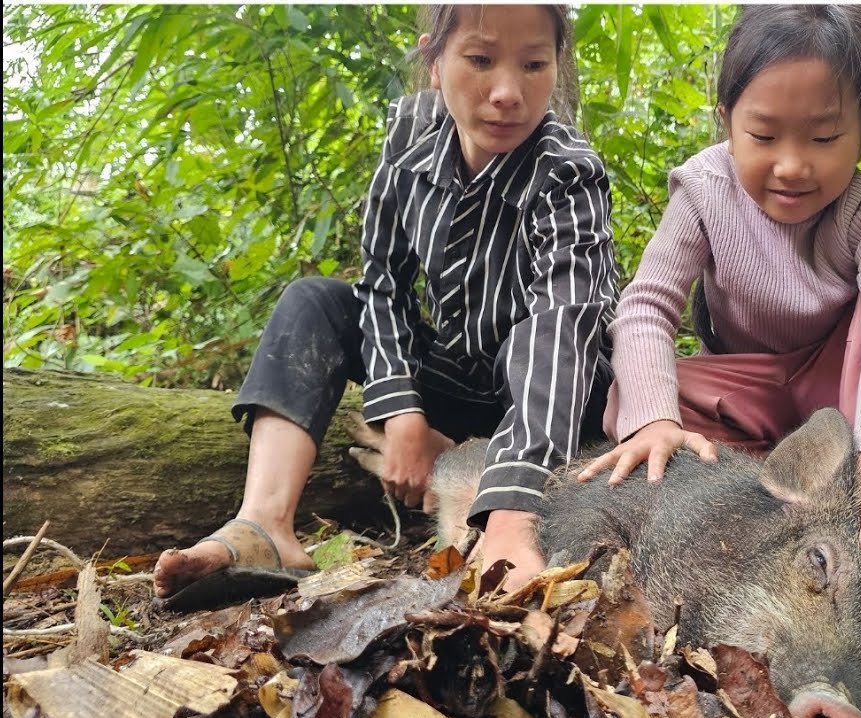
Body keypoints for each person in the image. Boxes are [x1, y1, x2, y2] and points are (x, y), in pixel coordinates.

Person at [153, 4, 617, 608]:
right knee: (314, 300)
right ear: (433, 61)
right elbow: (384, 282)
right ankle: (265, 523)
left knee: (537, 338)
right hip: (451, 374)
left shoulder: (567, 172)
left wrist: (511, 516)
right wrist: (402, 415)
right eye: (480, 60)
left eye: (534, 65)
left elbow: (564, 331)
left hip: (549, 397)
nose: (508, 92)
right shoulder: (410, 134)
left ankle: (501, 510)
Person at [578, 4, 861, 618]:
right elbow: (646, 307)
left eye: (825, 138)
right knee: (640, 395)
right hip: (757, 387)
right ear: (726, 122)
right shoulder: (704, 187)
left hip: (850, 377)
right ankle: (769, 500)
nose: (793, 165)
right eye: (764, 136)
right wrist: (654, 424)